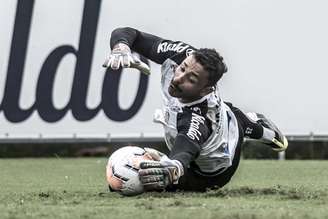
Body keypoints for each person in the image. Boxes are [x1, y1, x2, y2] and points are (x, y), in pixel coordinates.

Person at [103, 27, 288, 192]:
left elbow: (184, 150)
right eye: (182, 68)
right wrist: (121, 47)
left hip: (210, 175)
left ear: (206, 90)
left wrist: (174, 167)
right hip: (224, 118)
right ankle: (264, 131)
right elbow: (129, 33)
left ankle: (266, 133)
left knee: (153, 182)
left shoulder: (196, 118)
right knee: (234, 118)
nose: (178, 78)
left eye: (191, 80)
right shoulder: (184, 54)